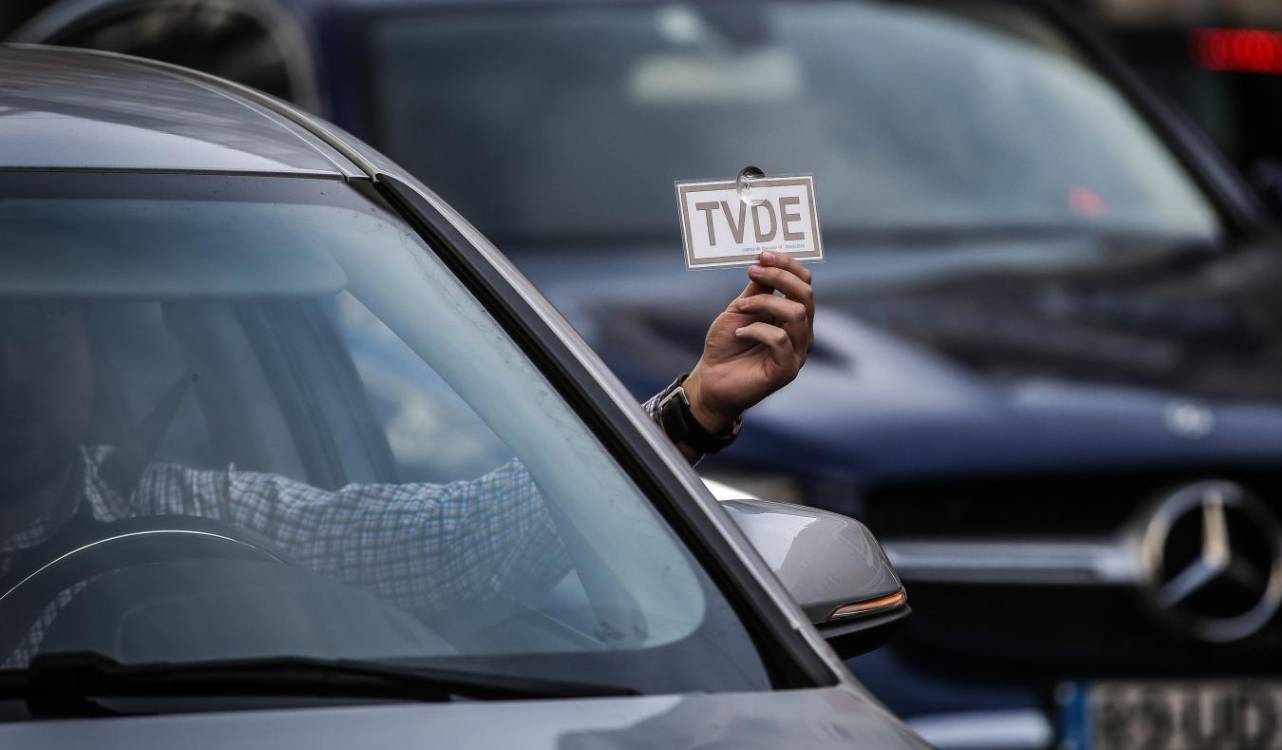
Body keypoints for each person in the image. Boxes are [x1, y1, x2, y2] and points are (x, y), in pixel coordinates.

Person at [0, 251, 814, 665]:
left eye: (41, 327)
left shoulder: (177, 506)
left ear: (89, 346)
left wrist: (695, 408)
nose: (19, 366)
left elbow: (449, 544)